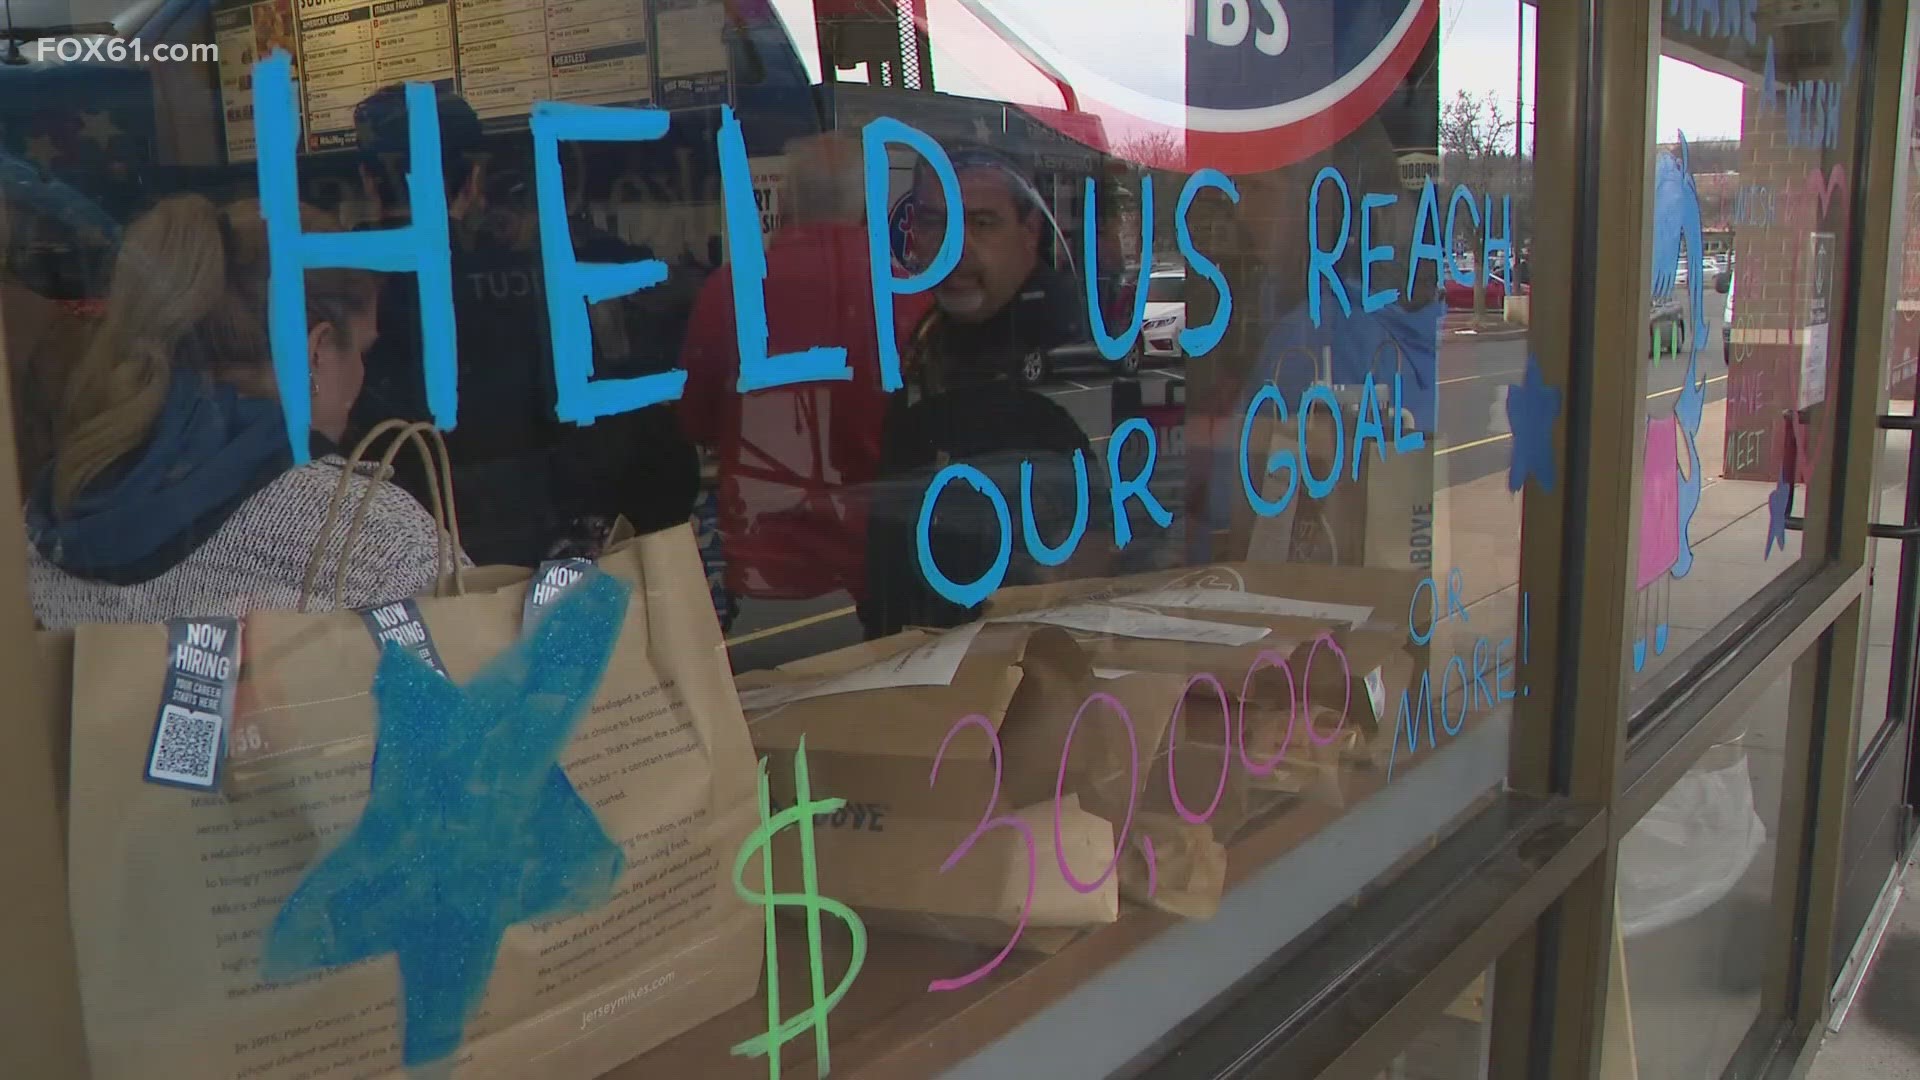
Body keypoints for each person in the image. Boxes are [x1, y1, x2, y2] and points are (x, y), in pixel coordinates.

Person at [26, 194, 461, 628]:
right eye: (363, 350)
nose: (363, 374)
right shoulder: (377, 537)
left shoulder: (52, 510)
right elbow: (500, 683)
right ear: (316, 350)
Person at [349, 84, 699, 567]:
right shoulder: (528, 277)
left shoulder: (333, 289)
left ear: (369, 181)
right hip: (522, 532)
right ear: (473, 181)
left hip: (380, 539)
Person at [858, 145, 1104, 638]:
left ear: (1029, 232)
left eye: (982, 223)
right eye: (933, 222)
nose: (953, 246)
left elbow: (1091, 547)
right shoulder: (934, 333)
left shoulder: (1064, 338)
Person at [679, 132, 928, 610]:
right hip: (876, 560)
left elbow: (695, 421)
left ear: (789, 199)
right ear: (864, 205)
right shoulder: (907, 296)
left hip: (765, 564)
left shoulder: (731, 288)